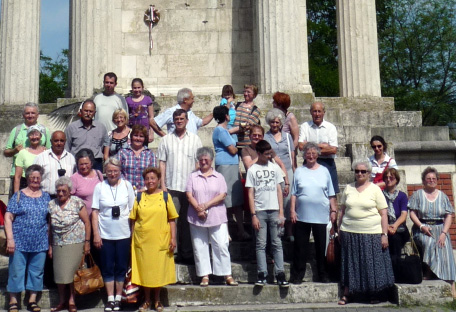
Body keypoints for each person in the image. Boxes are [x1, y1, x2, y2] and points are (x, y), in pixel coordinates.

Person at [337, 160, 394, 305]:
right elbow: (342, 210)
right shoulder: (348, 188)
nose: (359, 174)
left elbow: (383, 214)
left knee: (370, 264)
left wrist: (384, 234)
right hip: (349, 231)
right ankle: (348, 293)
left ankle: (373, 293)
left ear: (369, 173)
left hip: (371, 232)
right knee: (350, 263)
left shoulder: (375, 189)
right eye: (357, 171)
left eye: (363, 171)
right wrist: (338, 228)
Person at [186, 147, 238, 287]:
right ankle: (204, 275)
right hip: (197, 216)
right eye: (201, 160)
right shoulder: (193, 176)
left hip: (217, 215)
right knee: (199, 247)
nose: (203, 162)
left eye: (206, 160)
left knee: (221, 245)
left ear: (211, 160)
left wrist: (206, 206)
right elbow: (189, 194)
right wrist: (198, 208)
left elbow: (222, 195)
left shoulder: (219, 176)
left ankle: (226, 274)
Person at [130, 167, 178, 312]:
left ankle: (157, 300)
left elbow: (172, 219)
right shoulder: (139, 196)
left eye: (153, 178)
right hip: (142, 241)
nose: (150, 181)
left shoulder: (165, 196)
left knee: (157, 271)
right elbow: (133, 219)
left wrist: (173, 238)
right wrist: (133, 238)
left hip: (160, 240)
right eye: (147, 179)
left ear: (158, 180)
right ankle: (146, 301)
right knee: (144, 270)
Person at [158, 109, 202, 264]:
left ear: (187, 121)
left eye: (182, 118)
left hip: (189, 188)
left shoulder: (195, 140)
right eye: (176, 119)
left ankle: (187, 253)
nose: (179, 121)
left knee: (187, 221)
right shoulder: (166, 140)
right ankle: (173, 252)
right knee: (172, 220)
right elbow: (162, 163)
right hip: (171, 186)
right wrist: (162, 184)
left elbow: (199, 164)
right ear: (173, 121)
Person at [5, 165, 51, 312]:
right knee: (16, 271)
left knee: (36, 272)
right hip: (19, 241)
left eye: (38, 178)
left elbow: (50, 220)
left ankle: (32, 300)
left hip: (40, 241)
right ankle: (13, 301)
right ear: (28, 178)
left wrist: (50, 242)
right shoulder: (18, 195)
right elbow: (8, 217)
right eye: (32, 177)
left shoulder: (46, 196)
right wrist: (10, 239)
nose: (35, 180)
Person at [289, 142, 336, 284]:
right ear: (304, 156)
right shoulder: (299, 171)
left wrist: (333, 210)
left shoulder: (325, 171)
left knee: (321, 247)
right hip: (302, 215)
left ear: (318, 155)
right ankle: (298, 275)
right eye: (308, 153)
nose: (310, 156)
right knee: (300, 247)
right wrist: (292, 210)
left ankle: (323, 274)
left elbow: (331, 194)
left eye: (313, 153)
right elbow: (293, 193)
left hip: (321, 215)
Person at [92, 157, 135, 312]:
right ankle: (110, 298)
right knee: (108, 267)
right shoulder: (99, 187)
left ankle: (118, 298)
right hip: (105, 234)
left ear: (120, 171)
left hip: (124, 234)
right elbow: (95, 212)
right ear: (105, 171)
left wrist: (133, 234)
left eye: (115, 171)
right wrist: (96, 234)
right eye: (109, 171)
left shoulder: (127, 185)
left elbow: (132, 211)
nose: (112, 173)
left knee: (121, 267)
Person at [245, 140, 289, 288]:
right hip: (260, 211)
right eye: (266, 154)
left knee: (277, 243)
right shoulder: (252, 170)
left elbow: (278, 190)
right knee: (261, 244)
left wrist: (281, 212)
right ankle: (262, 273)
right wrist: (253, 215)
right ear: (259, 154)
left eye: (270, 153)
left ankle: (280, 273)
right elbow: (250, 193)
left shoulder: (275, 168)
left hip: (274, 210)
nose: (269, 156)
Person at [409, 167, 456, 297]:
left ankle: (451, 285)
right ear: (424, 181)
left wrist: (444, 233)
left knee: (445, 247)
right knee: (429, 242)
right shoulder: (418, 194)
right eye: (428, 179)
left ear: (437, 180)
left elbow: (449, 215)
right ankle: (429, 271)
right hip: (423, 229)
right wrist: (421, 226)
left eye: (433, 178)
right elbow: (412, 213)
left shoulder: (443, 196)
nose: (431, 181)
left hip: (440, 228)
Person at [48, 177, 91, 312]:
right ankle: (62, 301)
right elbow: (50, 226)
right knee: (60, 275)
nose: (60, 194)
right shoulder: (51, 204)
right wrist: (50, 246)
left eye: (64, 191)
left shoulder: (77, 202)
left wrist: (87, 242)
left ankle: (72, 301)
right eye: (58, 191)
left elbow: (87, 223)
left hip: (75, 243)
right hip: (58, 243)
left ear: (70, 191)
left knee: (73, 275)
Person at [212, 106, 248, 241]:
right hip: (225, 165)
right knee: (225, 199)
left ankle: (241, 230)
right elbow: (232, 150)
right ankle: (225, 231)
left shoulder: (224, 130)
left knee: (237, 199)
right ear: (226, 116)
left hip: (232, 165)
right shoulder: (220, 131)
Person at [4, 103, 51, 198]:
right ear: (23, 115)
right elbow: (6, 152)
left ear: (38, 114)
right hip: (19, 176)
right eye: (27, 113)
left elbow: (50, 151)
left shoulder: (45, 131)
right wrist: (15, 150)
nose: (30, 115)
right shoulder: (16, 130)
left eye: (33, 113)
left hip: (39, 177)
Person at [264, 108, 295, 240]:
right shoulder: (265, 137)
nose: (275, 124)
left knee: (288, 201)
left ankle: (288, 231)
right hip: (272, 171)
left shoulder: (287, 137)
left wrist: (294, 170)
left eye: (277, 122)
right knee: (276, 201)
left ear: (281, 123)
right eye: (272, 122)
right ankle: (277, 230)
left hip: (287, 170)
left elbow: (292, 155)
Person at [298, 101, 339, 193]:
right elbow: (301, 146)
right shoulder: (305, 126)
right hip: (309, 162)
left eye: (319, 111)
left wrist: (309, 145)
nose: (317, 114)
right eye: (314, 111)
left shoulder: (330, 127)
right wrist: (322, 146)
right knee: (308, 191)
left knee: (331, 193)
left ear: (324, 112)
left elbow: (333, 149)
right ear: (310, 112)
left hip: (327, 162)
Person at [65, 100, 110, 171]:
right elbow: (67, 147)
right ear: (81, 111)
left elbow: (106, 142)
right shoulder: (71, 128)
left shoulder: (101, 127)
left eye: (91, 111)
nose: (88, 113)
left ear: (94, 113)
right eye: (86, 111)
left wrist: (106, 156)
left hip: (96, 163)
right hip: (77, 163)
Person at [382, 168, 409, 281]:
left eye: (391, 177)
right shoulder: (380, 195)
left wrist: (394, 226)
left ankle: (395, 273)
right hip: (384, 226)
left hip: (399, 228)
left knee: (395, 240)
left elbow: (403, 215)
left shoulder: (402, 196)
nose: (388, 179)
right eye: (386, 177)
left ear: (396, 179)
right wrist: (387, 226)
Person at [34, 131, 76, 198]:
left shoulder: (71, 158)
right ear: (51, 141)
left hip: (66, 198)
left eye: (62, 141)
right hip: (46, 197)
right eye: (56, 141)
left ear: (65, 141)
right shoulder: (41, 157)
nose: (59, 143)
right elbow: (34, 179)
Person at [117, 124, 157, 192]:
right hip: (125, 190)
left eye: (141, 136)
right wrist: (125, 185)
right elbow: (118, 171)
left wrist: (146, 188)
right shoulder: (122, 152)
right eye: (135, 135)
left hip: (145, 191)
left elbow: (154, 173)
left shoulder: (150, 154)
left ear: (145, 139)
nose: (138, 138)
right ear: (131, 137)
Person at [70, 148, 104, 219]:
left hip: (99, 216)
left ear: (91, 163)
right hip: (83, 219)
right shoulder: (74, 178)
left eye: (86, 163)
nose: (84, 166)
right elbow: (70, 200)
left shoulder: (98, 174)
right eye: (81, 164)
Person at [14, 125, 47, 192]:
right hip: (26, 186)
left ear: (41, 136)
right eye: (31, 135)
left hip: (43, 188)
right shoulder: (22, 153)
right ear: (28, 137)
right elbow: (17, 177)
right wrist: (16, 195)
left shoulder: (46, 153)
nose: (34, 137)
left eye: (36, 134)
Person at [125, 78, 156, 142]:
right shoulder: (127, 100)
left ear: (142, 87)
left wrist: (151, 133)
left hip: (144, 131)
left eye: (139, 87)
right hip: (132, 131)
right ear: (132, 88)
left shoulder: (147, 99)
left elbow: (151, 117)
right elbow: (126, 117)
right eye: (135, 88)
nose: (137, 90)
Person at [232, 84, 261, 151]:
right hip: (233, 143)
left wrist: (229, 131)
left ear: (254, 95)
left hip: (246, 145)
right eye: (244, 91)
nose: (245, 94)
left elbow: (247, 126)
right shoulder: (237, 105)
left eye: (248, 92)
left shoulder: (255, 110)